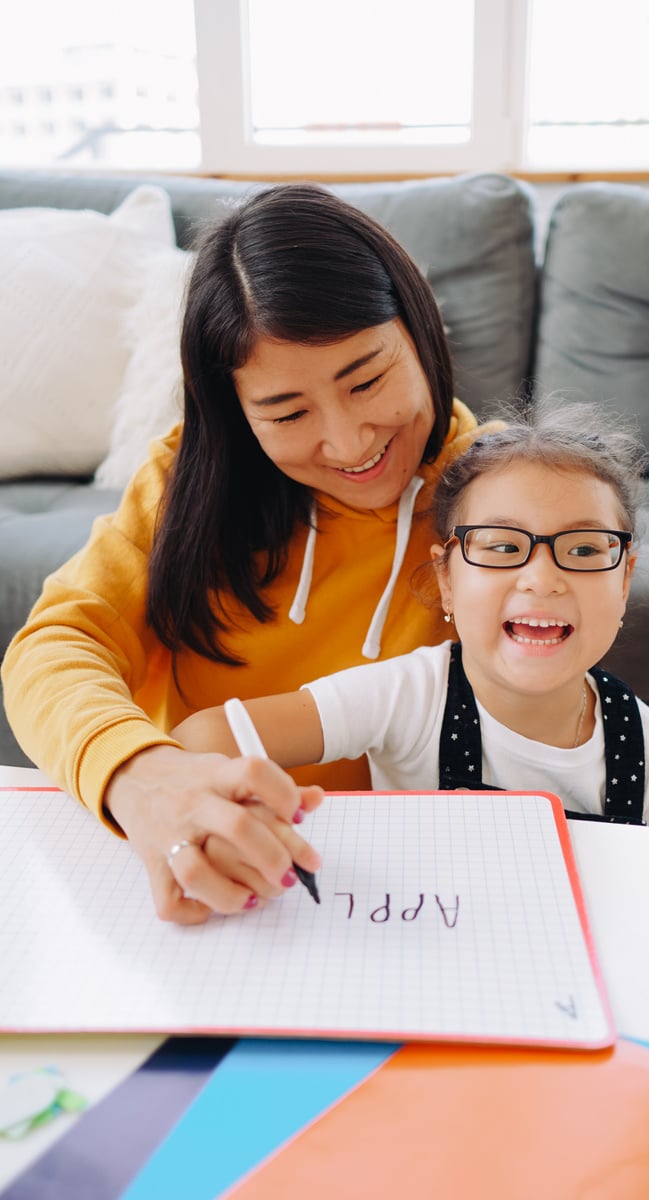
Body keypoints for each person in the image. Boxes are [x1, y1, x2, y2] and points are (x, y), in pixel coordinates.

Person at [1, 183, 494, 925]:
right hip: (208, 870)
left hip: (411, 885)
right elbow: (57, 643)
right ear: (236, 414)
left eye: (367, 380)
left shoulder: (501, 495)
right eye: (287, 412)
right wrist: (143, 776)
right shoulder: (188, 484)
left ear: (422, 334)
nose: (349, 440)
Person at [174, 405, 649, 830]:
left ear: (623, 581)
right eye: (503, 546)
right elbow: (204, 737)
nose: (542, 578)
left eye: (584, 549)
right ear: (447, 580)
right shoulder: (409, 696)